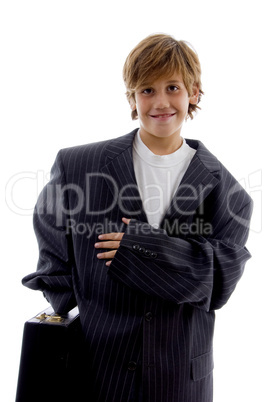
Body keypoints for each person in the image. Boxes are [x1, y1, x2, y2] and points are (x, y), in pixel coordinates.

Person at [22, 34, 253, 402]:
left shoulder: (229, 192)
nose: (160, 102)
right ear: (132, 98)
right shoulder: (76, 166)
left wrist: (144, 247)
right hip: (95, 369)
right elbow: (53, 268)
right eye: (146, 90)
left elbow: (218, 283)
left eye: (172, 87)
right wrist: (95, 307)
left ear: (194, 92)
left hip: (180, 379)